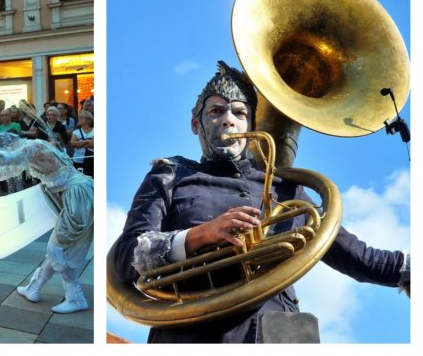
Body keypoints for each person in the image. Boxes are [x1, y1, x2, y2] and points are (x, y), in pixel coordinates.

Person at [109, 62, 410, 343]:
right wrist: (203, 234)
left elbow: (358, 257)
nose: (228, 120)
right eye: (216, 111)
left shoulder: (285, 188)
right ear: (195, 123)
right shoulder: (171, 173)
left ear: (252, 125)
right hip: (191, 335)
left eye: (240, 113)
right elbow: (125, 256)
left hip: (280, 333)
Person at [0, 130, 93, 313]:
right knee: (58, 248)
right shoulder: (30, 147)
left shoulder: (31, 148)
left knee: (56, 249)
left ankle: (76, 298)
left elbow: (10, 161)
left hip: (76, 196)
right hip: (71, 196)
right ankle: (34, 288)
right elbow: (11, 169)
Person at [70, 110, 94, 177]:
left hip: (91, 159)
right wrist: (87, 141)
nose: (79, 119)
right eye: (79, 117)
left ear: (88, 120)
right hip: (78, 159)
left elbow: (93, 144)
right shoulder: (76, 132)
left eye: (82, 118)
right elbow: (73, 144)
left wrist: (79, 142)